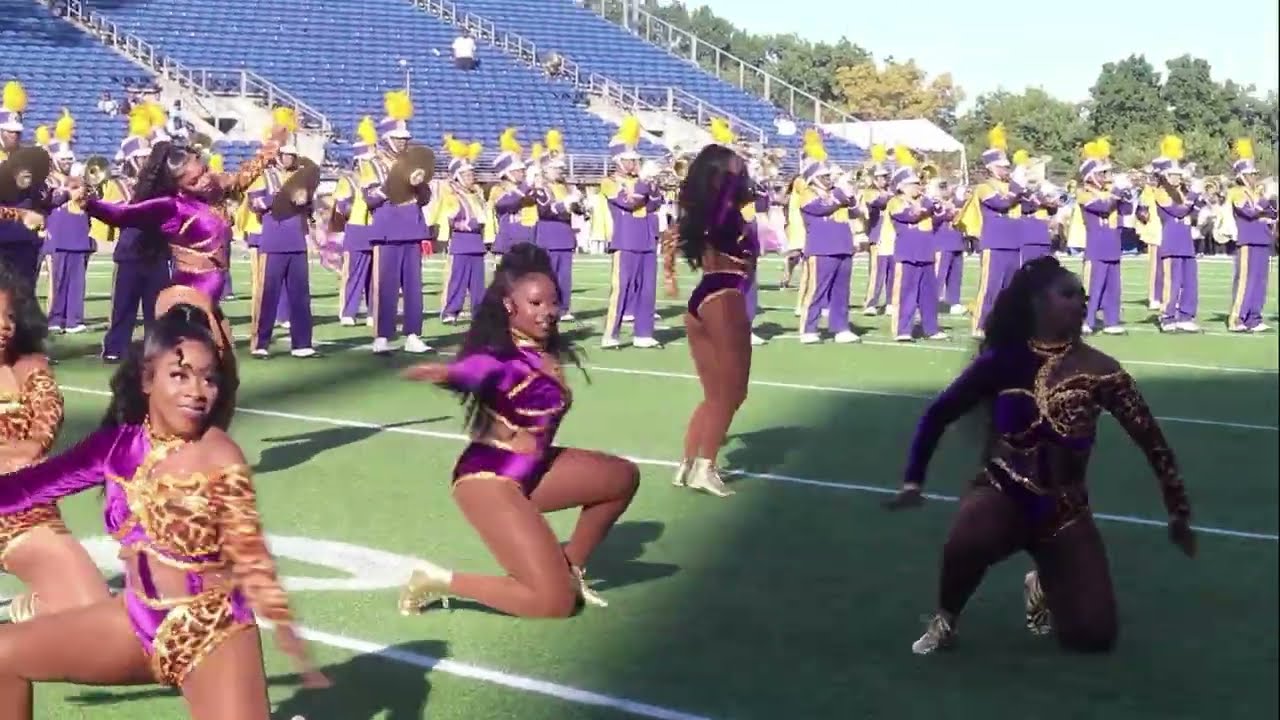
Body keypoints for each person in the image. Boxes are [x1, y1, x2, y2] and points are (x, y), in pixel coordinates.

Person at [0, 302, 324, 718]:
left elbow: (250, 550)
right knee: (5, 655)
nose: (197, 390)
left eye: (209, 379)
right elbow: (28, 488)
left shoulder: (219, 455)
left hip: (211, 635)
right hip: (137, 624)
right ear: (148, 379)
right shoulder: (116, 446)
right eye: (180, 375)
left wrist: (286, 631)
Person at [884, 256, 1196, 656]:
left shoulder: (1102, 370)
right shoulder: (1002, 362)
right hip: (1002, 495)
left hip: (1065, 509)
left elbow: (1151, 440)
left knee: (1093, 637)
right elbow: (938, 414)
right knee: (968, 539)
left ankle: (1043, 581)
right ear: (1037, 302)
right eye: (1067, 294)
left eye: (1083, 297)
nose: (1080, 303)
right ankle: (946, 618)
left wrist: (1178, 510)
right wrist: (913, 479)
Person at [398, 243, 639, 618]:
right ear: (510, 305)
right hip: (489, 480)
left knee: (621, 477)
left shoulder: (544, 348)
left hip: (533, 470)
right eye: (536, 304)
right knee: (552, 604)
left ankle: (570, 571)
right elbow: (475, 371)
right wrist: (446, 374)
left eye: (552, 302)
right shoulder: (502, 357)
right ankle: (435, 578)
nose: (548, 313)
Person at [0, 260, 110, 623]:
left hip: (20, 512)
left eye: (10, 317)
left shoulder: (28, 367)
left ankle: (30, 610)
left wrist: (27, 450)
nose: (5, 326)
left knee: (90, 614)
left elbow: (47, 417)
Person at [662, 144, 756, 497]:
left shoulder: (701, 210)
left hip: (702, 294)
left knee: (713, 393)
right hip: (725, 296)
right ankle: (706, 466)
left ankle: (687, 464)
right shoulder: (726, 212)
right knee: (732, 391)